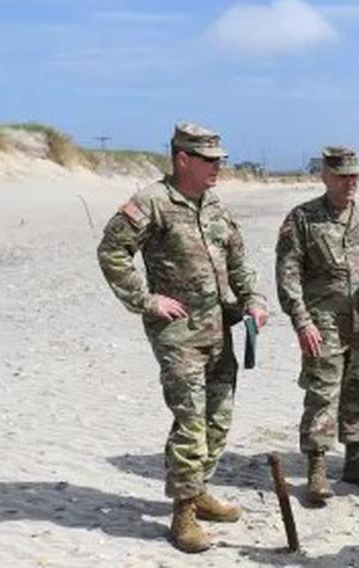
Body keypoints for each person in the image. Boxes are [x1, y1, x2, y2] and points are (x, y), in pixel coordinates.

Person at [97, 122, 269, 553]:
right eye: (210, 160)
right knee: (191, 422)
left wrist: (255, 300)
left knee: (218, 419)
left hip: (219, 330)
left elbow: (240, 263)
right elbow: (112, 251)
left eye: (220, 160)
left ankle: (200, 491)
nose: (218, 168)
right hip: (178, 335)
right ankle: (183, 515)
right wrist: (146, 299)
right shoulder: (151, 202)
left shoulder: (215, 206)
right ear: (182, 160)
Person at [275, 146, 359, 505]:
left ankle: (355, 462)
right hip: (322, 320)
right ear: (325, 176)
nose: (350, 182)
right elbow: (288, 274)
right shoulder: (302, 219)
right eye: (342, 176)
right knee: (323, 392)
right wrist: (301, 322)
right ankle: (317, 470)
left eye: (354, 176)